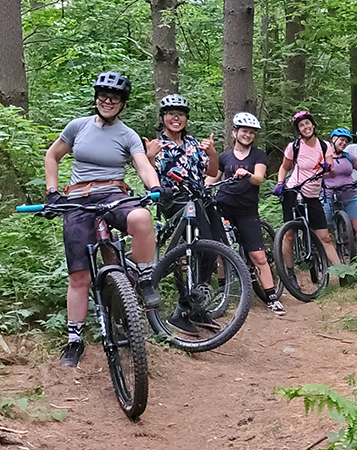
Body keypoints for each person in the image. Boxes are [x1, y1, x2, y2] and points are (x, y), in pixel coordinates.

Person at [44, 71, 169, 367]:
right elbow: (53, 156)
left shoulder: (128, 135)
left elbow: (142, 165)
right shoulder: (78, 127)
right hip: (77, 198)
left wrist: (154, 187)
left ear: (123, 103)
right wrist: (52, 192)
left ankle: (144, 278)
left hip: (114, 194)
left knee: (140, 217)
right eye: (103, 95)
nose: (107, 101)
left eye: (114, 97)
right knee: (79, 276)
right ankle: (75, 340)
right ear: (96, 98)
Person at [143, 94, 224, 333]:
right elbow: (148, 177)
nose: (175, 118)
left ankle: (196, 306)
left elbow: (211, 170)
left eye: (180, 114)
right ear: (163, 118)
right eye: (170, 113)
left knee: (212, 248)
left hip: (198, 199)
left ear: (186, 118)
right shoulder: (157, 145)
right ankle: (182, 309)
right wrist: (149, 156)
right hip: (174, 201)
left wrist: (212, 153)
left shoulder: (192, 144)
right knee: (186, 252)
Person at [206, 112, 286, 316]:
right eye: (244, 131)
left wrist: (248, 174)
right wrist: (203, 186)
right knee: (221, 252)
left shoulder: (258, 155)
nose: (247, 135)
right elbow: (213, 177)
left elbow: (259, 178)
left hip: (247, 210)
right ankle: (224, 293)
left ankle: (271, 297)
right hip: (223, 206)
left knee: (258, 255)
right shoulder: (224, 156)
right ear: (235, 133)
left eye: (251, 133)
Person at [273, 111, 342, 280]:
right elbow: (284, 167)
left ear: (313, 125)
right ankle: (290, 274)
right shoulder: (294, 147)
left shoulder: (325, 146)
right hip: (293, 191)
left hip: (312, 195)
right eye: (301, 125)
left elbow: (332, 173)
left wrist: (328, 168)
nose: (305, 127)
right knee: (289, 234)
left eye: (307, 123)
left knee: (324, 237)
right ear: (299, 130)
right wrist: (280, 182)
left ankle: (343, 273)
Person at [321, 127, 357, 249]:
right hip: (328, 195)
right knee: (327, 230)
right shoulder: (322, 157)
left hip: (351, 194)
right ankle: (332, 262)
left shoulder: (348, 156)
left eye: (346, 141)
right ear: (333, 139)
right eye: (341, 140)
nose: (343, 143)